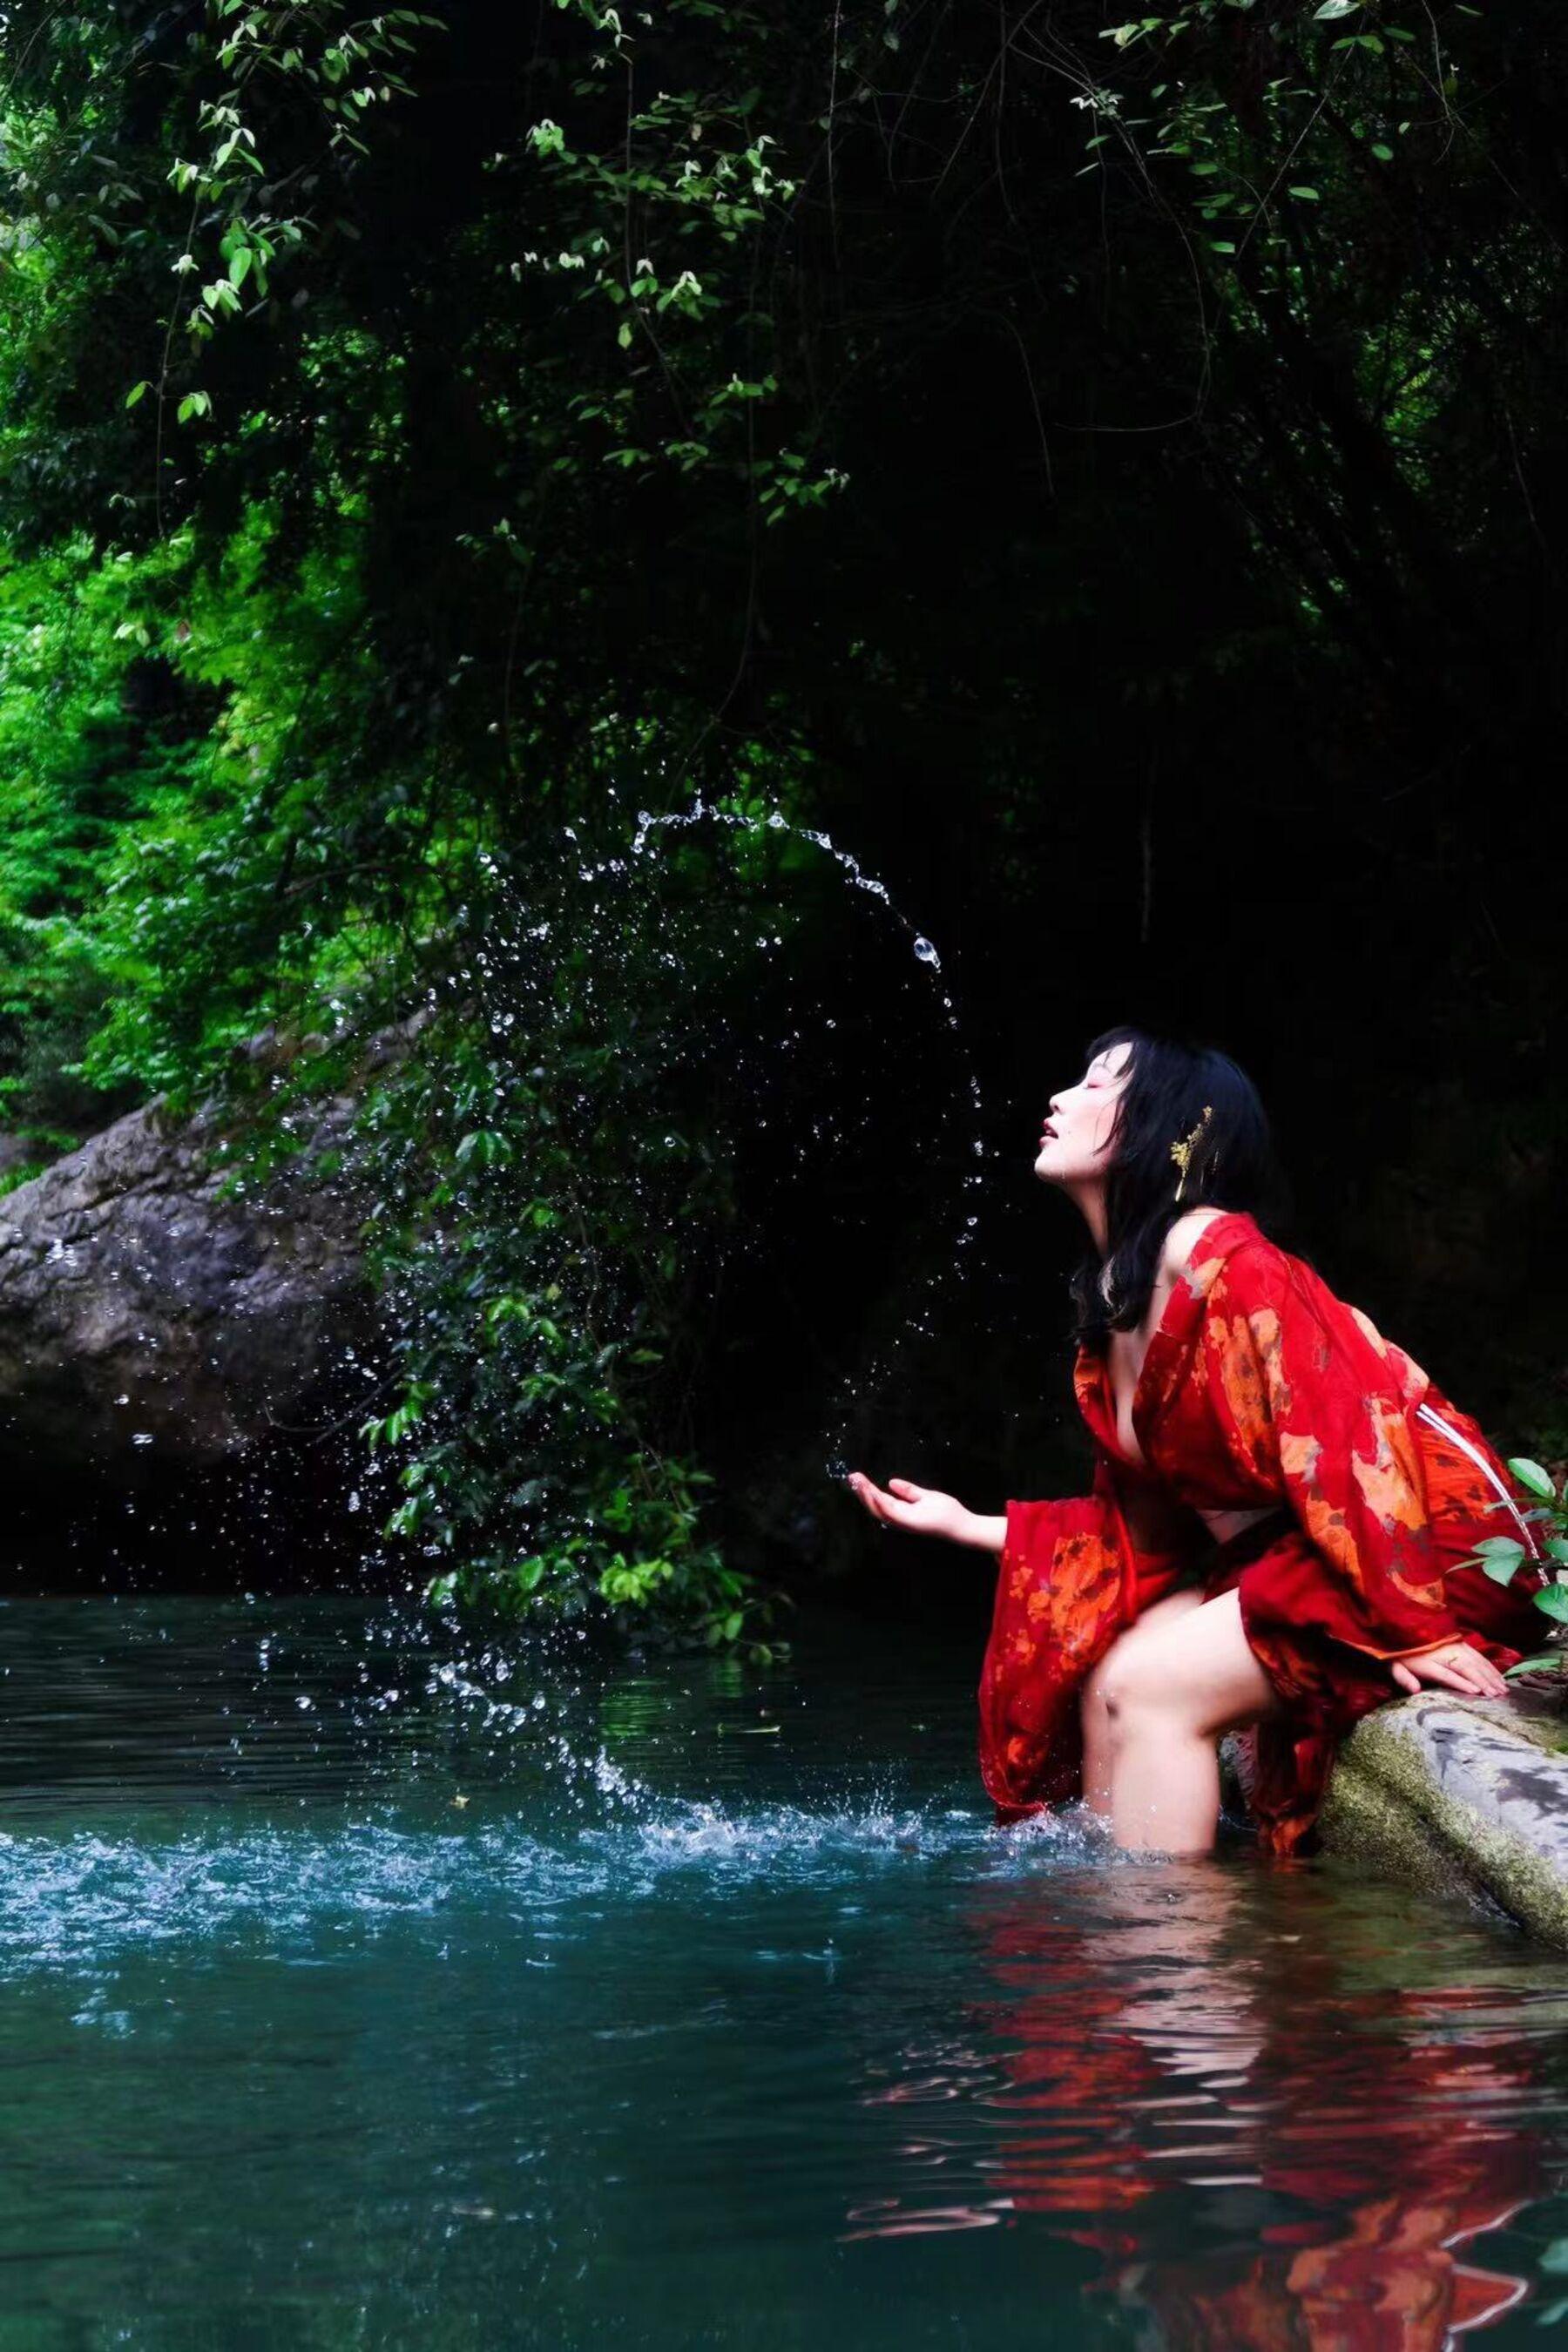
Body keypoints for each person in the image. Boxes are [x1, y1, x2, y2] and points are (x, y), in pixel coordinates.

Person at [847, 1028, 1544, 1855]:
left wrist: (1412, 1624)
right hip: (1306, 1551)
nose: (1060, 1099)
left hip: (1426, 1547)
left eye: (1098, 1085)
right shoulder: (1118, 1304)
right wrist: (966, 1525)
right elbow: (1142, 1536)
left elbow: (1349, 1427)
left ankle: (1169, 1935)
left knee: (1151, 1690)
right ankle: (1114, 1916)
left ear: (1168, 1127)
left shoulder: (1217, 1251)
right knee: (1108, 1668)